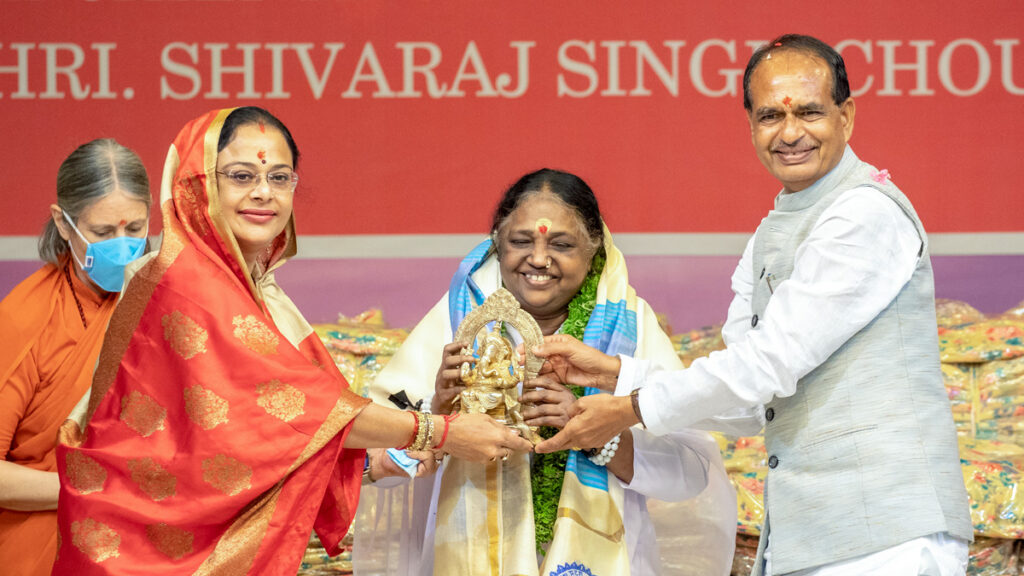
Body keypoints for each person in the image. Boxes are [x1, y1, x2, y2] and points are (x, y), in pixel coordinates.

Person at [533, 34, 973, 576]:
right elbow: (751, 401)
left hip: (886, 537)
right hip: (810, 534)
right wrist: (616, 374)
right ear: (750, 126)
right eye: (770, 117)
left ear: (847, 116)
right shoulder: (771, 232)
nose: (790, 133)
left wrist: (628, 410)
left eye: (809, 112)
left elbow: (771, 360)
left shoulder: (864, 214)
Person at [51, 107, 531, 575]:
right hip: (144, 551)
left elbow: (248, 442)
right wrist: (440, 432)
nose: (264, 193)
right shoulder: (186, 284)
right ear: (200, 187)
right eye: (241, 176)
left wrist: (376, 463)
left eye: (280, 178)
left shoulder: (257, 289)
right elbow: (303, 411)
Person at [355, 169, 750, 576]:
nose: (539, 259)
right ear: (497, 242)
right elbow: (374, 463)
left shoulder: (628, 324)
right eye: (521, 241)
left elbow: (688, 473)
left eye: (561, 244)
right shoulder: (458, 319)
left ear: (594, 250)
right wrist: (438, 415)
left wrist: (598, 436)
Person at [0, 139, 152, 576]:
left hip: (148, 548)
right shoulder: (25, 318)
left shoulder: (167, 304)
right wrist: (95, 488)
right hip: (40, 554)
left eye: (135, 228)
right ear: (63, 224)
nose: (122, 246)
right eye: (104, 233)